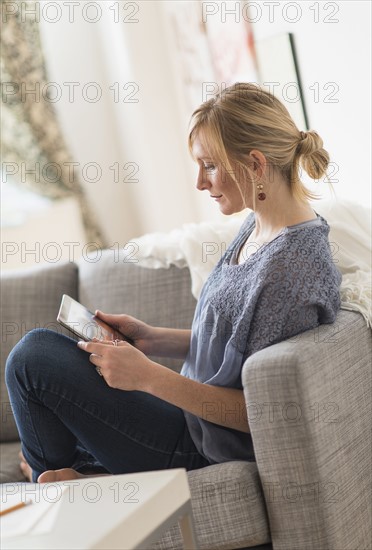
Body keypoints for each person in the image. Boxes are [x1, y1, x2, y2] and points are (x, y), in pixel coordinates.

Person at [6, 83, 342, 484]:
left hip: (201, 446)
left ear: (255, 164)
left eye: (210, 165)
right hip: (188, 421)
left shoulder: (291, 270)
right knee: (44, 359)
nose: (200, 182)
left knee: (33, 359)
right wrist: (152, 339)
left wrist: (148, 376)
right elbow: (235, 346)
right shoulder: (258, 226)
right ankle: (69, 473)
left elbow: (261, 410)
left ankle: (66, 486)